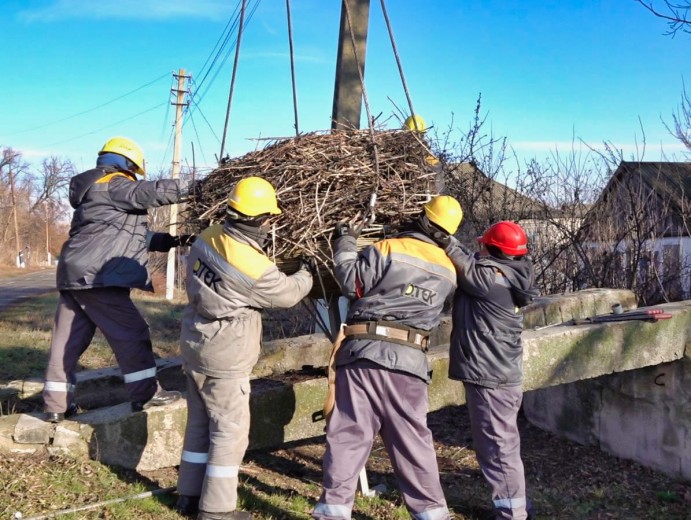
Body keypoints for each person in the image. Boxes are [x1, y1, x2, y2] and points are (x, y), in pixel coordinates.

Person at [312, 195, 463, 520]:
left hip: (364, 356)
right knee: (414, 444)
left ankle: (332, 513)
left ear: (423, 218)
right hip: (410, 365)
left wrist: (345, 240)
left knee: (348, 436)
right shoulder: (449, 272)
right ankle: (433, 515)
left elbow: (352, 284)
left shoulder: (389, 248)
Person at [174, 177, 314, 520]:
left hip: (195, 344)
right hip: (225, 357)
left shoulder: (207, 238)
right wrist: (309, 272)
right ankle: (217, 510)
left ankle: (188, 496)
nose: (270, 224)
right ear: (258, 218)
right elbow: (287, 294)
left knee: (198, 426)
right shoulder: (253, 267)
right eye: (268, 217)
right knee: (229, 433)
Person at [43, 136, 194, 423]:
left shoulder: (92, 193)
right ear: (126, 164)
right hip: (98, 276)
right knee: (132, 333)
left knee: (67, 343)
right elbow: (150, 192)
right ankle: (146, 394)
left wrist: (171, 240)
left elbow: (124, 236)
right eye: (133, 171)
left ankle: (55, 405)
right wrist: (196, 188)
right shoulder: (113, 183)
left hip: (74, 274)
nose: (133, 176)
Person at [444, 221, 539, 520]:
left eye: (483, 244)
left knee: (498, 450)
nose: (479, 247)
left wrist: (442, 238)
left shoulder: (490, 279)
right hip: (501, 377)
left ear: (493, 249)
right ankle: (514, 507)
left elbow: (464, 264)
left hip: (492, 380)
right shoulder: (512, 274)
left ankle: (513, 514)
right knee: (502, 447)